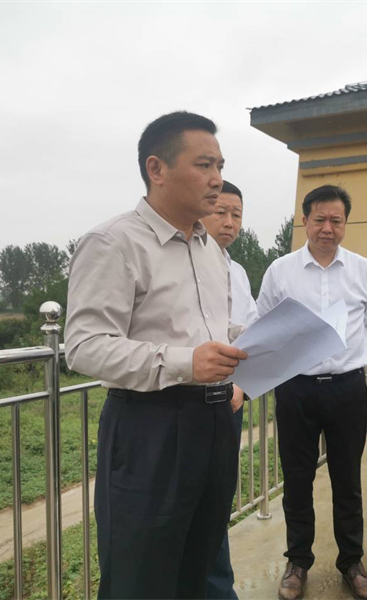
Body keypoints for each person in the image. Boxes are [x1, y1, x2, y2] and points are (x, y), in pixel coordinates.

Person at [64, 111, 248, 599]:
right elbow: (84, 345)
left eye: (220, 166)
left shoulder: (212, 250)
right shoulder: (114, 243)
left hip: (215, 422)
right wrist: (186, 362)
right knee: (141, 575)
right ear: (156, 168)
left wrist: (260, 342)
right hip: (151, 426)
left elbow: (212, 328)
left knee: (201, 563)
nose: (217, 179)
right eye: (204, 165)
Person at [257, 185, 367, 600]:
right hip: (296, 389)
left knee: (348, 478)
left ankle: (352, 561)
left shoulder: (364, 270)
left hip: (348, 388)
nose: (328, 228)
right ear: (305, 221)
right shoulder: (281, 271)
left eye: (336, 220)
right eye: (320, 219)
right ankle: (298, 561)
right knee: (297, 478)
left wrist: (353, 359)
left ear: (345, 223)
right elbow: (265, 326)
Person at [200, 180, 258, 599]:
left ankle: (219, 589)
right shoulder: (186, 264)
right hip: (186, 400)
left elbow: (251, 332)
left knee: (217, 502)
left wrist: (243, 385)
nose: (229, 222)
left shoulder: (236, 272)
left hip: (228, 402)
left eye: (236, 214)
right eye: (220, 211)